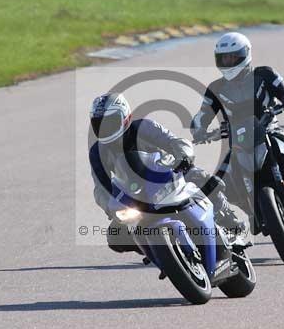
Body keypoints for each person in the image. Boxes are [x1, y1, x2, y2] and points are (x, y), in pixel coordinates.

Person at [89, 92, 245, 253]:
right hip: (137, 195)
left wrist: (184, 157)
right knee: (115, 237)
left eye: (110, 122)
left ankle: (228, 220)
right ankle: (158, 251)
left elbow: (174, 141)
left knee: (206, 180)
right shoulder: (97, 153)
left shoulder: (144, 127)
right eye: (99, 124)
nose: (105, 128)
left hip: (170, 176)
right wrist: (112, 206)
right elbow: (100, 188)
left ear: (126, 117)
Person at [190, 32, 284, 218]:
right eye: (224, 58)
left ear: (245, 54)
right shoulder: (215, 88)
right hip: (236, 140)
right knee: (219, 182)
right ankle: (248, 212)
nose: (229, 62)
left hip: (270, 130)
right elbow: (203, 114)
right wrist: (199, 130)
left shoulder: (264, 74)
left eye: (233, 57)